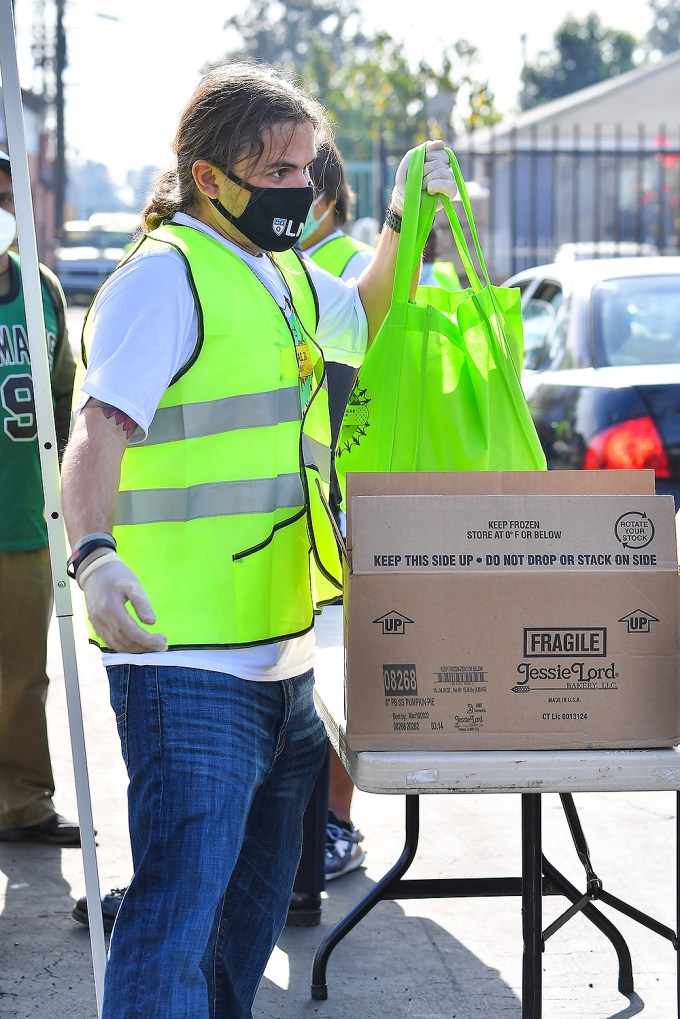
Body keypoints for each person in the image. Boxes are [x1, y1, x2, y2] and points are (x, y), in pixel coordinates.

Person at [60, 61, 455, 1018]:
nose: (298, 189)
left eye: (305, 168)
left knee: (244, 925)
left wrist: (404, 215)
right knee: (173, 917)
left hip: (279, 662)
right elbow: (94, 433)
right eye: (274, 170)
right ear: (209, 177)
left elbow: (362, 313)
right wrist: (96, 556)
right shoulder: (166, 278)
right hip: (186, 663)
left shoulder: (273, 272)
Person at [289, 140, 373, 928]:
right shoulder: (275, 270)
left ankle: (336, 827)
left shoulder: (344, 266)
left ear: (323, 198)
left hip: (344, 491)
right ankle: (309, 837)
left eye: (292, 182)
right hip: (313, 493)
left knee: (334, 684)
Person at [0, 149, 79, 846]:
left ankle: (22, 804)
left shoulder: (42, 289)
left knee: (25, 675)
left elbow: (62, 393)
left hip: (24, 514)